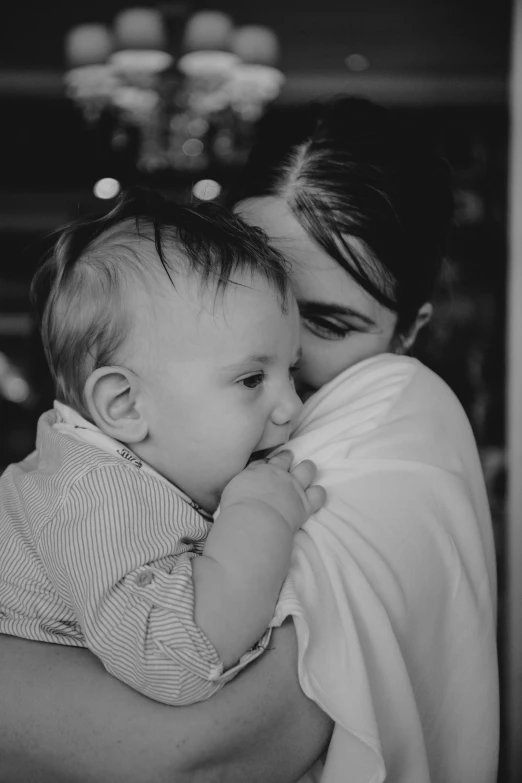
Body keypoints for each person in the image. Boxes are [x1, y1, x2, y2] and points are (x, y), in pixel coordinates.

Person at [0, 97, 498, 783]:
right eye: (250, 295)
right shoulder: (107, 467)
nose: (275, 348)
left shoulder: (393, 412)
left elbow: (192, 753)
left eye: (322, 323)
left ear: (408, 329)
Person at [0, 190, 325, 706]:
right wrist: (259, 516)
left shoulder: (137, 468)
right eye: (249, 380)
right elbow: (176, 660)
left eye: (292, 372)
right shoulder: (92, 499)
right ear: (126, 405)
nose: (292, 407)